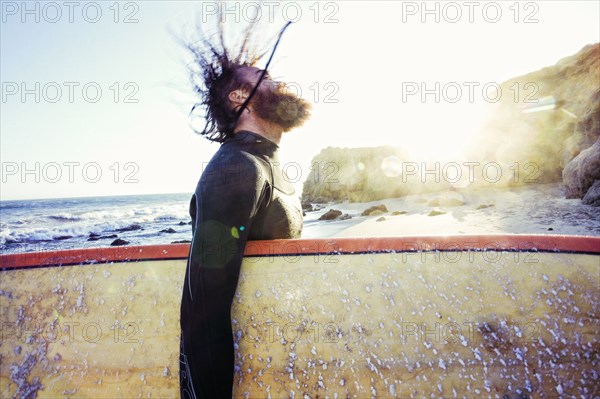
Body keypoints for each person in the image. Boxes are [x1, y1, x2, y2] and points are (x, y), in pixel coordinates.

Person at [178, 22, 312, 399]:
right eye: (267, 78)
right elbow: (201, 312)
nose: (279, 84)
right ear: (241, 98)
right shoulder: (236, 169)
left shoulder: (266, 164)